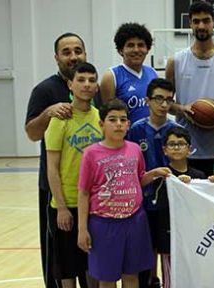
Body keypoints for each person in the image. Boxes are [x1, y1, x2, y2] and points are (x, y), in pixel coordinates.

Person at [77, 99, 171, 288]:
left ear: (128, 124)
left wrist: (153, 174)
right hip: (104, 223)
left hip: (134, 220)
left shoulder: (134, 149)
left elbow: (139, 179)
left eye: (123, 119)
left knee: (131, 275)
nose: (118, 124)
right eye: (112, 119)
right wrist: (82, 229)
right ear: (101, 124)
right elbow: (84, 193)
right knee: (107, 278)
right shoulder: (91, 154)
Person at [25, 32, 88, 288]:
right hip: (56, 188)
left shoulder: (91, 88)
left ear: (85, 53)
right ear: (56, 57)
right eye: (66, 52)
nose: (73, 56)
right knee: (60, 256)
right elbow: (31, 133)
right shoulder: (45, 90)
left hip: (90, 187)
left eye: (77, 50)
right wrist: (48, 114)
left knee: (90, 250)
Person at [166, 1, 214, 176]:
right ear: (190, 23)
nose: (201, 25)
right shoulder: (176, 61)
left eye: (206, 20)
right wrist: (182, 108)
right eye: (196, 21)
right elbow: (166, 103)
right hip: (185, 150)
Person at [44, 62, 102, 288]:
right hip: (66, 204)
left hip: (95, 205)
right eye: (81, 80)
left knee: (92, 268)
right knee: (67, 270)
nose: (86, 85)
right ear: (70, 84)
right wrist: (61, 207)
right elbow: (52, 167)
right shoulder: (60, 119)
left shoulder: (101, 118)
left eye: (91, 80)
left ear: (97, 86)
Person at [125, 78, 180, 288]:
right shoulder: (135, 130)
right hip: (142, 201)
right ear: (147, 100)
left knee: (166, 249)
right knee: (144, 253)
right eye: (158, 99)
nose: (164, 104)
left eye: (168, 100)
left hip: (170, 202)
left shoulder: (176, 130)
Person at [149, 126, 206, 288]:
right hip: (169, 238)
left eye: (181, 144)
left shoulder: (199, 176)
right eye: (172, 144)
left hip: (193, 239)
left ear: (190, 149)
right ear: (164, 150)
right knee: (171, 278)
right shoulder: (162, 176)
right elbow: (160, 208)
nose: (176, 147)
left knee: (193, 276)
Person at [100, 22, 158, 123]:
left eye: (141, 45)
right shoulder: (111, 76)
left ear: (147, 49)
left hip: (152, 136)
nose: (136, 50)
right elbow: (107, 116)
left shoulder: (153, 73)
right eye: (130, 45)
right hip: (125, 137)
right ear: (121, 50)